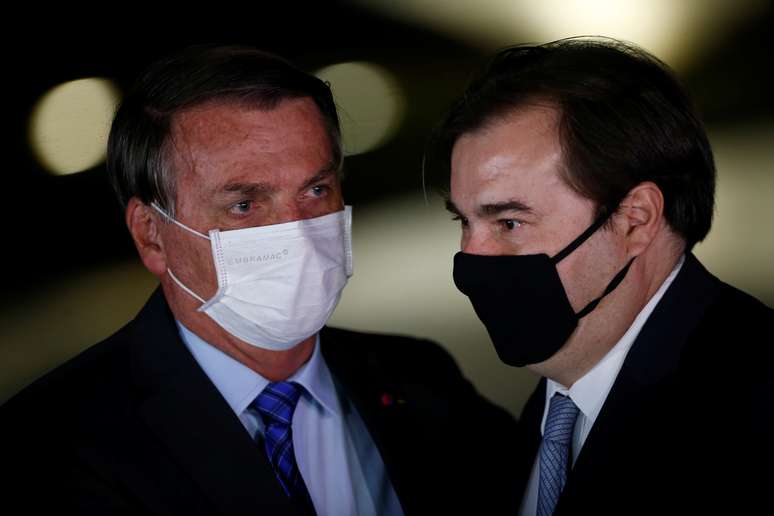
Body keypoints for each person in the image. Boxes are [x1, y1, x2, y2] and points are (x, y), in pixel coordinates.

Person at [0, 45, 518, 515]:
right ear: (151, 234)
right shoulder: (50, 444)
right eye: (245, 205)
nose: (298, 233)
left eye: (316, 190)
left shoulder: (420, 380)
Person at [430, 38, 774, 515]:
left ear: (636, 219)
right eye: (463, 222)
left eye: (509, 222)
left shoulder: (753, 407)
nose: (471, 258)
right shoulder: (548, 412)